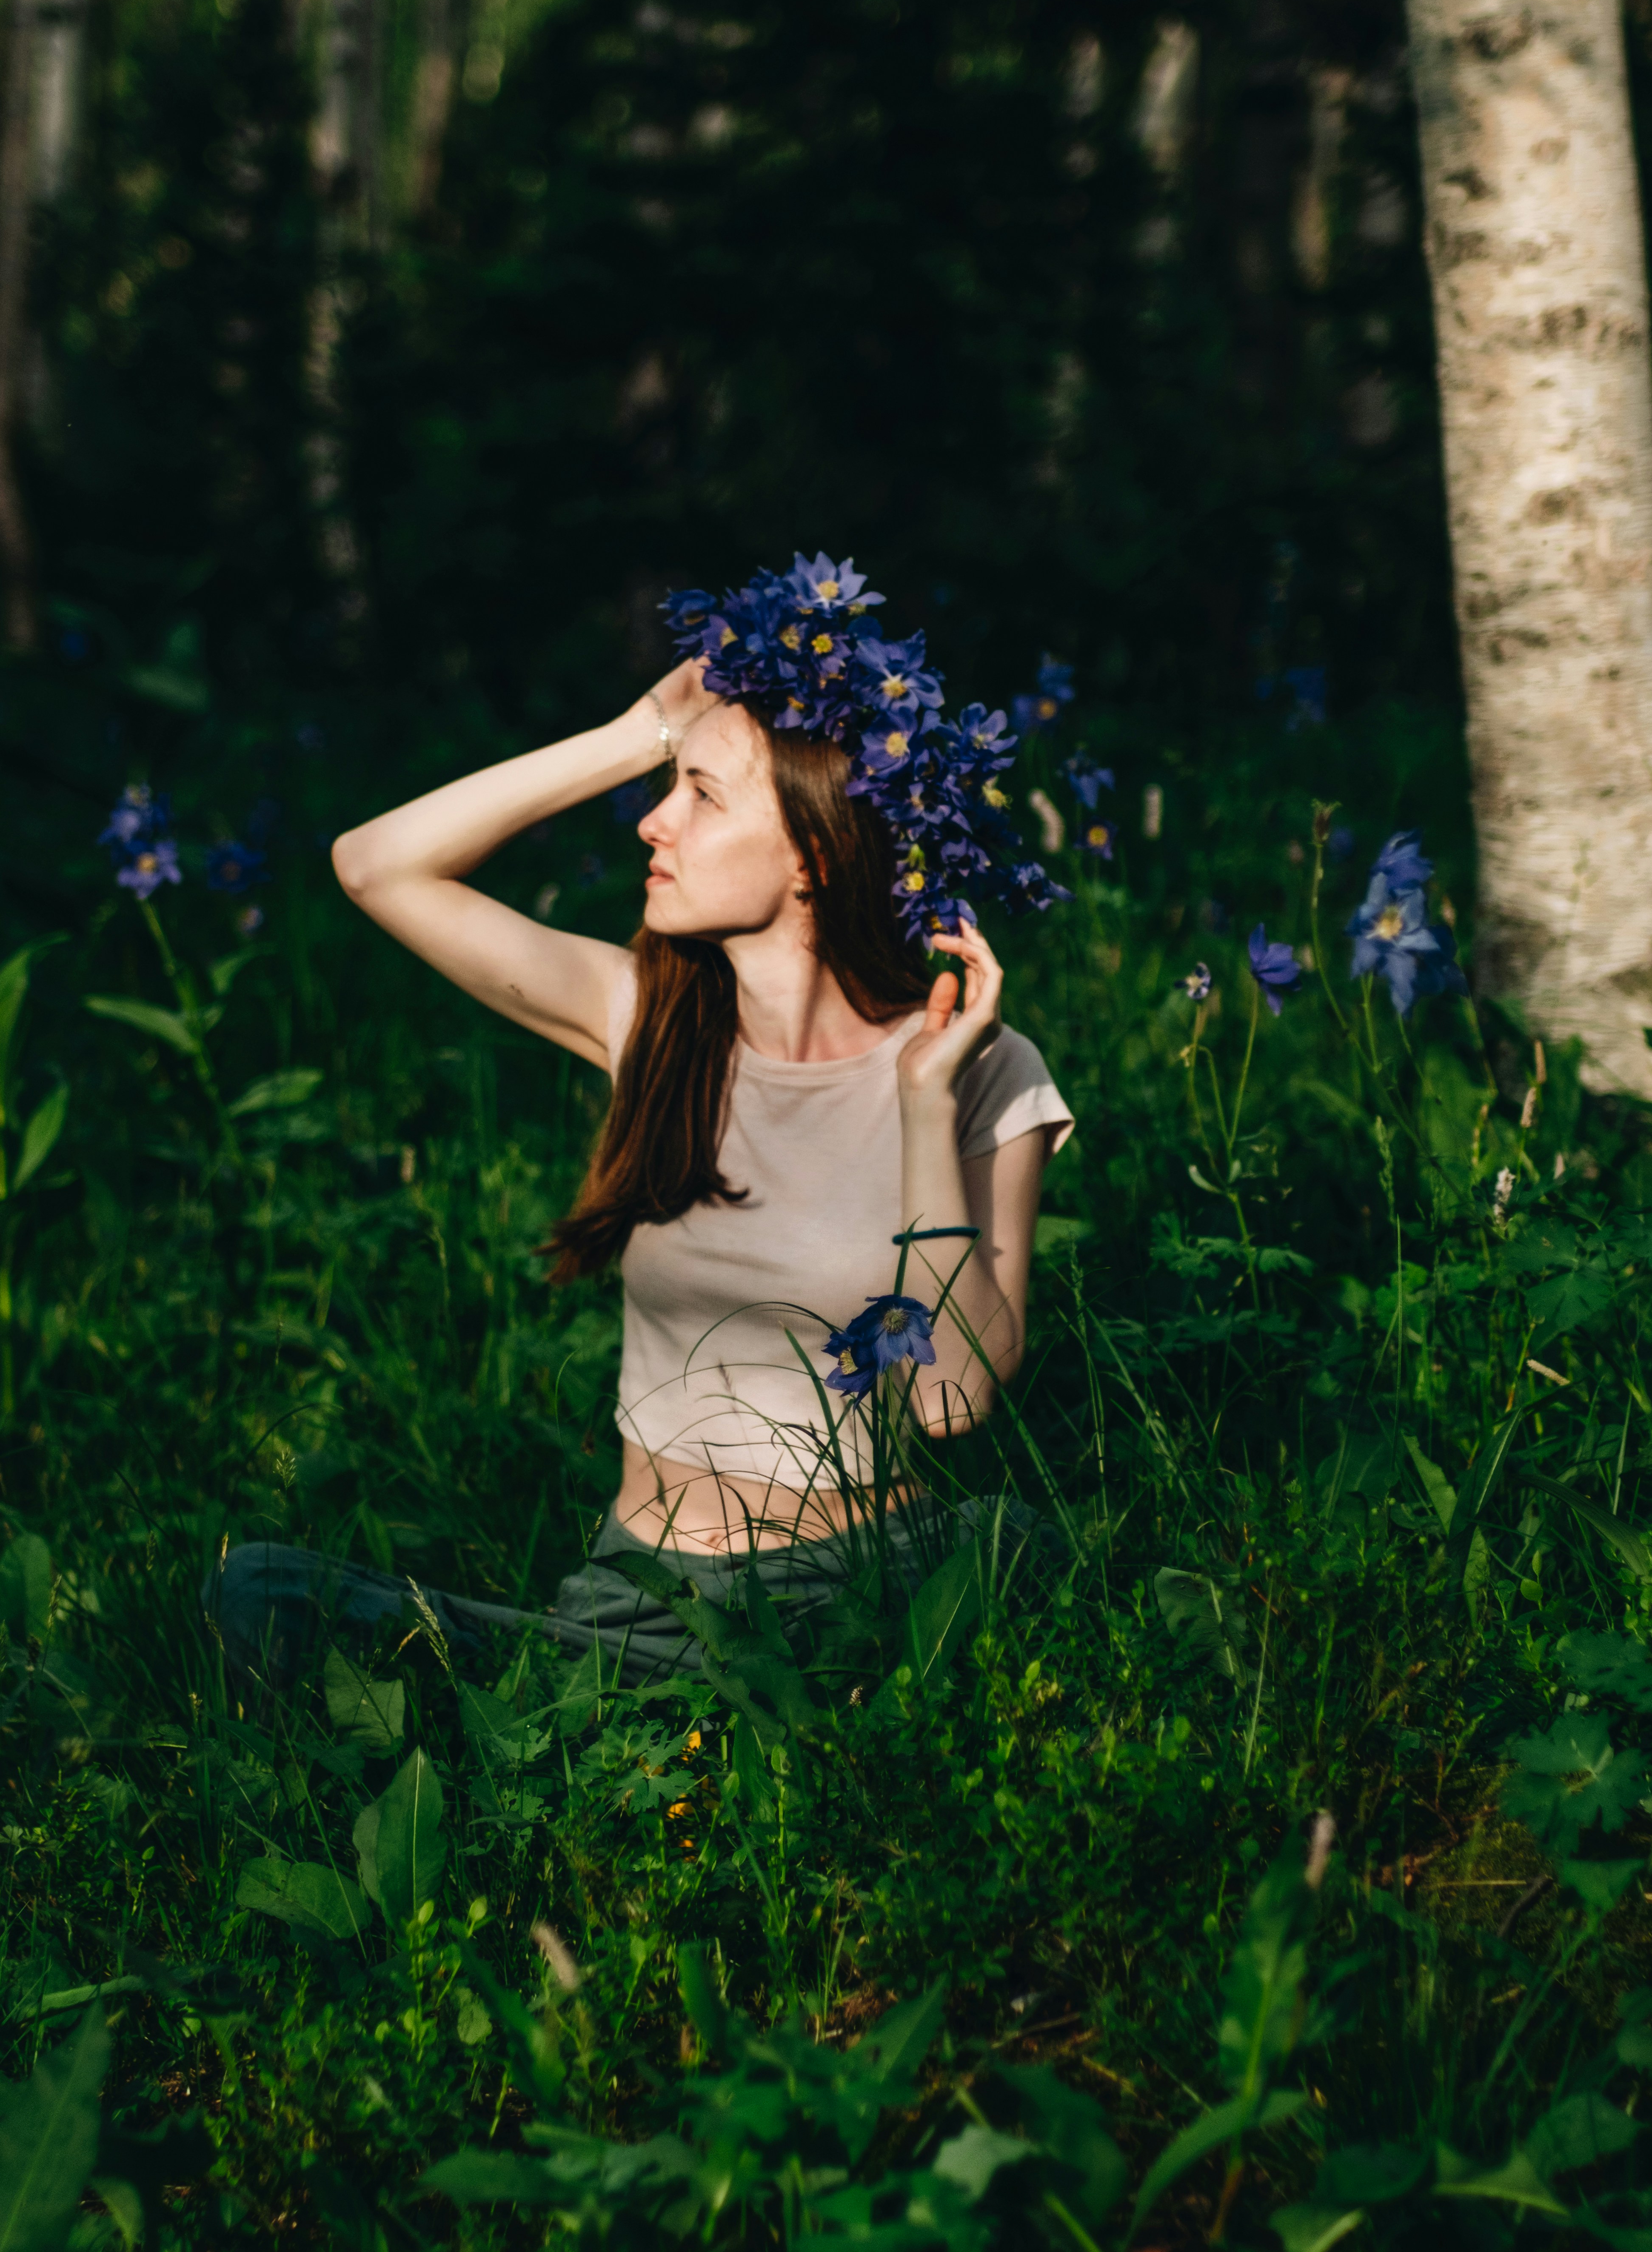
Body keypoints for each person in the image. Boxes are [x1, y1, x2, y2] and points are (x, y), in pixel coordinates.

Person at [209, 553, 1074, 1695]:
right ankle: (701, 1721)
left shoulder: (982, 1068)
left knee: (1017, 1542)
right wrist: (639, 733)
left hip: (873, 1580)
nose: (652, 824)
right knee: (260, 1592)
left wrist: (923, 1108)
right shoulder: (645, 1019)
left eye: (702, 796)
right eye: (671, 787)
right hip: (642, 1602)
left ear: (817, 853)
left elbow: (953, 1399)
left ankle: (757, 1724)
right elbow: (376, 866)